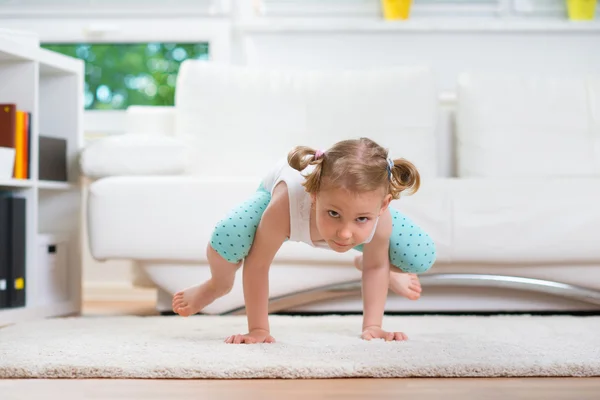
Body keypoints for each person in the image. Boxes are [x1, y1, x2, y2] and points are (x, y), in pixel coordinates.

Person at [172, 137, 436, 344]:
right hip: (283, 206)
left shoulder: (380, 218)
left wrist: (373, 326)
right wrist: (258, 329)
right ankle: (217, 284)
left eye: (362, 218)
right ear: (314, 196)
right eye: (334, 213)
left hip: (357, 221)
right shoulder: (283, 206)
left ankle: (367, 258)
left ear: (383, 206)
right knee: (228, 235)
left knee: (419, 256)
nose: (344, 233)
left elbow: (376, 267)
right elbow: (258, 264)